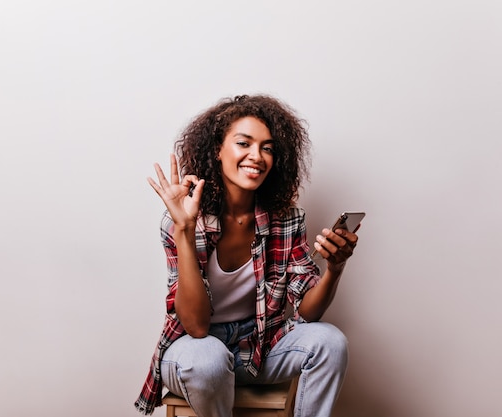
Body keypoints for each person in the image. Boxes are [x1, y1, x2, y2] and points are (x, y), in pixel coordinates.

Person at [134, 94, 360, 417]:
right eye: (244, 143)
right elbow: (196, 327)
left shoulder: (287, 219)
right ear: (218, 150)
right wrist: (184, 231)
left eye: (267, 148)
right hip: (194, 354)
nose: (257, 156)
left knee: (330, 342)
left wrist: (335, 269)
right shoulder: (184, 218)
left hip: (257, 347)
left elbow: (307, 313)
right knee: (208, 360)